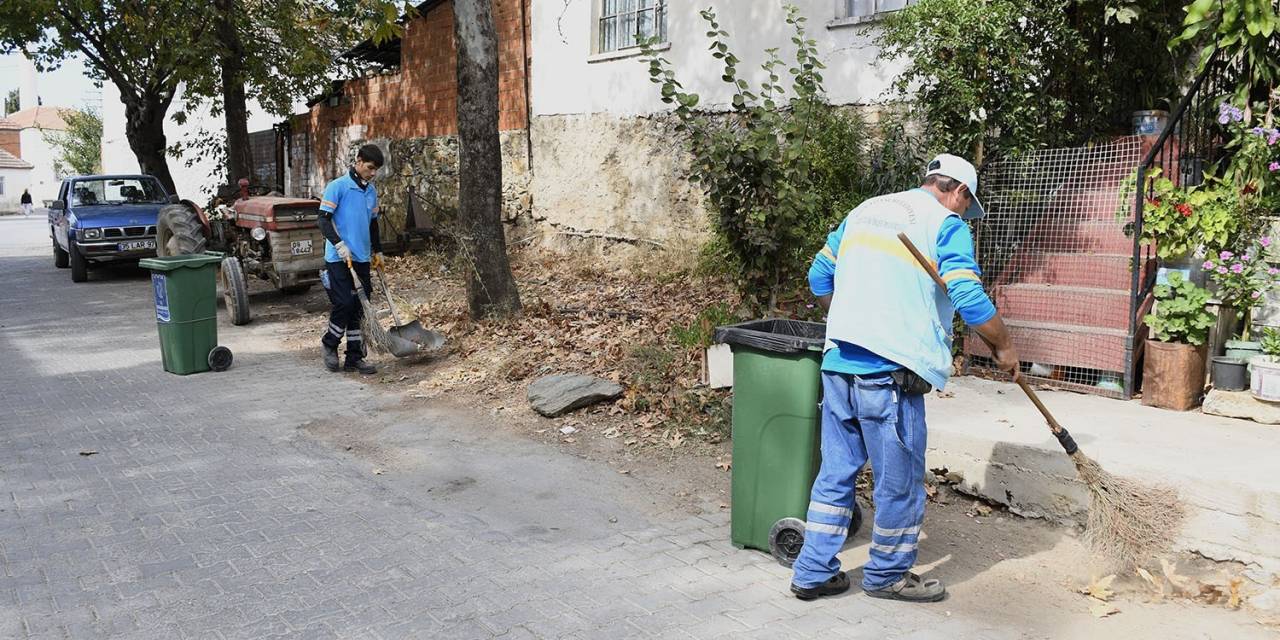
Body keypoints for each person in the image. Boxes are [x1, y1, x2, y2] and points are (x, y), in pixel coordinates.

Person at [790, 154, 1021, 603]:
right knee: (898, 482)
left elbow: (819, 275)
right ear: (959, 192)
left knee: (835, 473)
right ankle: (887, 575)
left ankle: (813, 571)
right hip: (889, 373)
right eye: (966, 205)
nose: (964, 214)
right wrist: (1005, 346)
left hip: (838, 365)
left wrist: (849, 319)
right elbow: (968, 295)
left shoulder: (865, 211)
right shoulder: (945, 223)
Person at [317, 144, 386, 375]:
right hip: (338, 258)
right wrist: (338, 244)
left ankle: (354, 358)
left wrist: (378, 252)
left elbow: (373, 224)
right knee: (344, 303)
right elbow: (323, 220)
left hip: (361, 258)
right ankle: (330, 343)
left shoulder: (371, 192)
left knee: (359, 308)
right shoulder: (338, 187)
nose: (373, 173)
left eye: (376, 170)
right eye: (370, 167)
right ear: (358, 161)